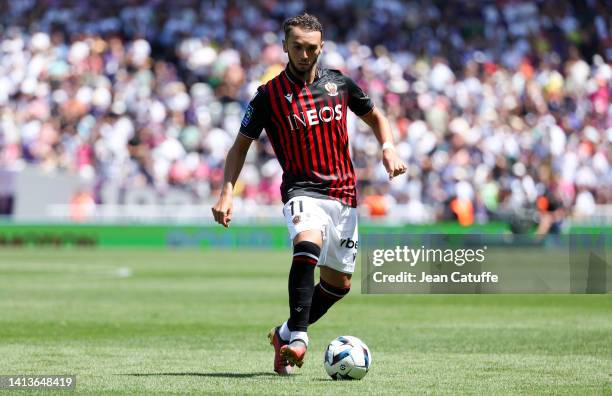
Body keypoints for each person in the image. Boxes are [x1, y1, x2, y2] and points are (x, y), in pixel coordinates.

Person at [211, 13, 407, 375]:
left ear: (322, 48)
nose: (305, 54)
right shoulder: (267, 97)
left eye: (312, 48)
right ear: (285, 46)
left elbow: (377, 117)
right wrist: (227, 192)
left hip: (344, 196)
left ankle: (283, 334)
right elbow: (240, 147)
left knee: (339, 285)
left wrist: (388, 148)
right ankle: (299, 338)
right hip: (302, 190)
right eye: (297, 47)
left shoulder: (340, 84)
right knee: (307, 245)